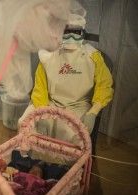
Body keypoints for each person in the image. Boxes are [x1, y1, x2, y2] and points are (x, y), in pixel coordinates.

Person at [18, 13, 114, 145]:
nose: (71, 37)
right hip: (50, 103)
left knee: (74, 133)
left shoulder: (92, 56)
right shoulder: (48, 56)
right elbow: (40, 88)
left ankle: (64, 165)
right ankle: (33, 162)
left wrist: (93, 112)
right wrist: (41, 110)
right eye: (66, 32)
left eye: (76, 32)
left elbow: (104, 86)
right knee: (25, 124)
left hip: (79, 105)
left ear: (82, 33)